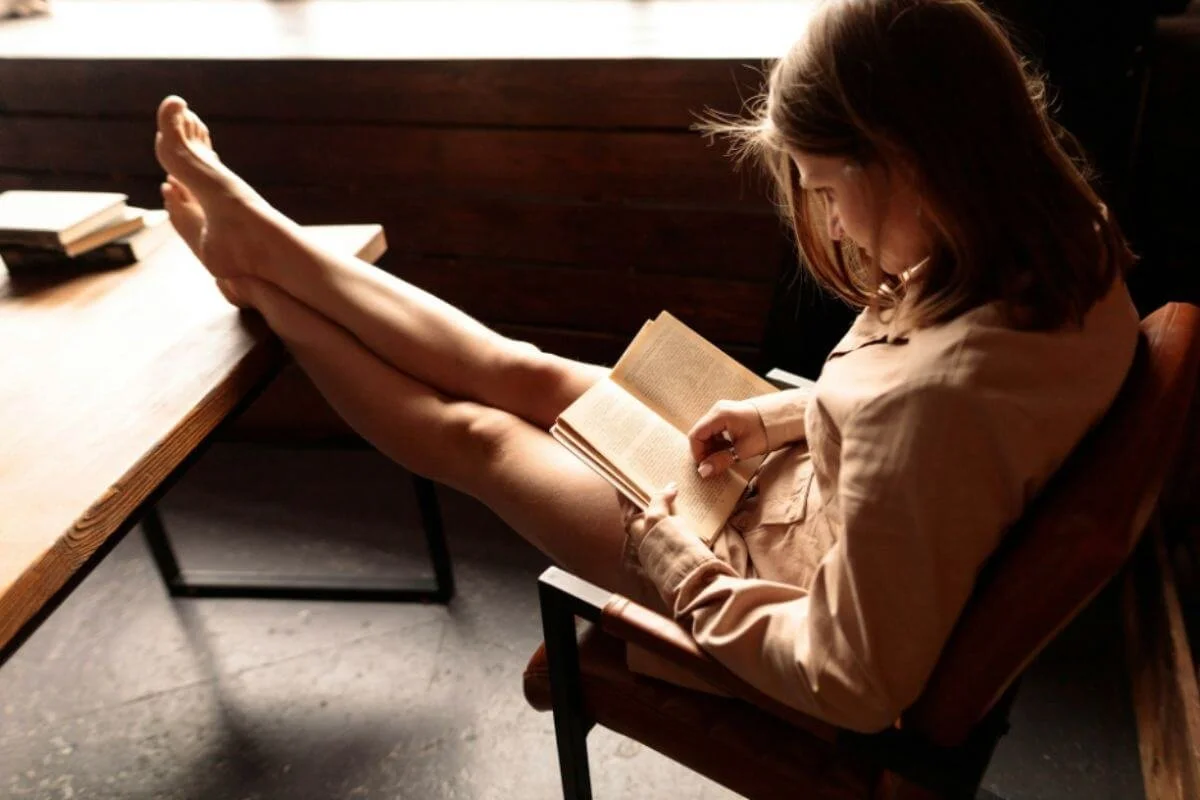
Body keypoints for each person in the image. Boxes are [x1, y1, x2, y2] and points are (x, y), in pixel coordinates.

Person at [152, 0, 1139, 734]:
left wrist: (681, 566)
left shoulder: (930, 403)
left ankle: (268, 288)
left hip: (758, 581)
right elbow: (948, 420)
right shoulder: (1067, 246)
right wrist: (782, 419)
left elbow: (854, 680)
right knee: (525, 368)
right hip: (807, 492)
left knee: (481, 436)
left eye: (831, 190)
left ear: (908, 156)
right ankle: (272, 244)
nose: (831, 223)